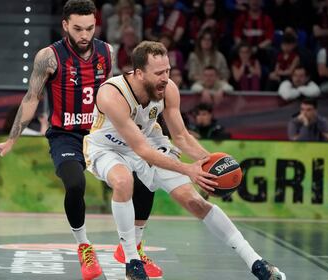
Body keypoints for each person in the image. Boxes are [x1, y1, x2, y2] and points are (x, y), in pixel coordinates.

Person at [0, 1, 161, 279]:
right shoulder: (48, 57)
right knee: (74, 185)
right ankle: (84, 246)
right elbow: (31, 99)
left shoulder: (106, 51)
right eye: (78, 28)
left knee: (147, 175)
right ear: (65, 25)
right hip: (66, 136)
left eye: (89, 28)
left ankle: (131, 247)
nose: (84, 34)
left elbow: (113, 93)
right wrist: (12, 139)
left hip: (101, 132)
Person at [84, 41, 286, 280]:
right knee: (123, 181)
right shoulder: (112, 94)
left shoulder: (168, 89)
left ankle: (256, 263)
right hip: (108, 146)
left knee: (194, 201)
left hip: (149, 140)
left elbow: (180, 136)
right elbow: (141, 150)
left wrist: (208, 165)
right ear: (139, 73)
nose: (165, 77)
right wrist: (188, 169)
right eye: (159, 73)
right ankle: (132, 262)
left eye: (167, 70)